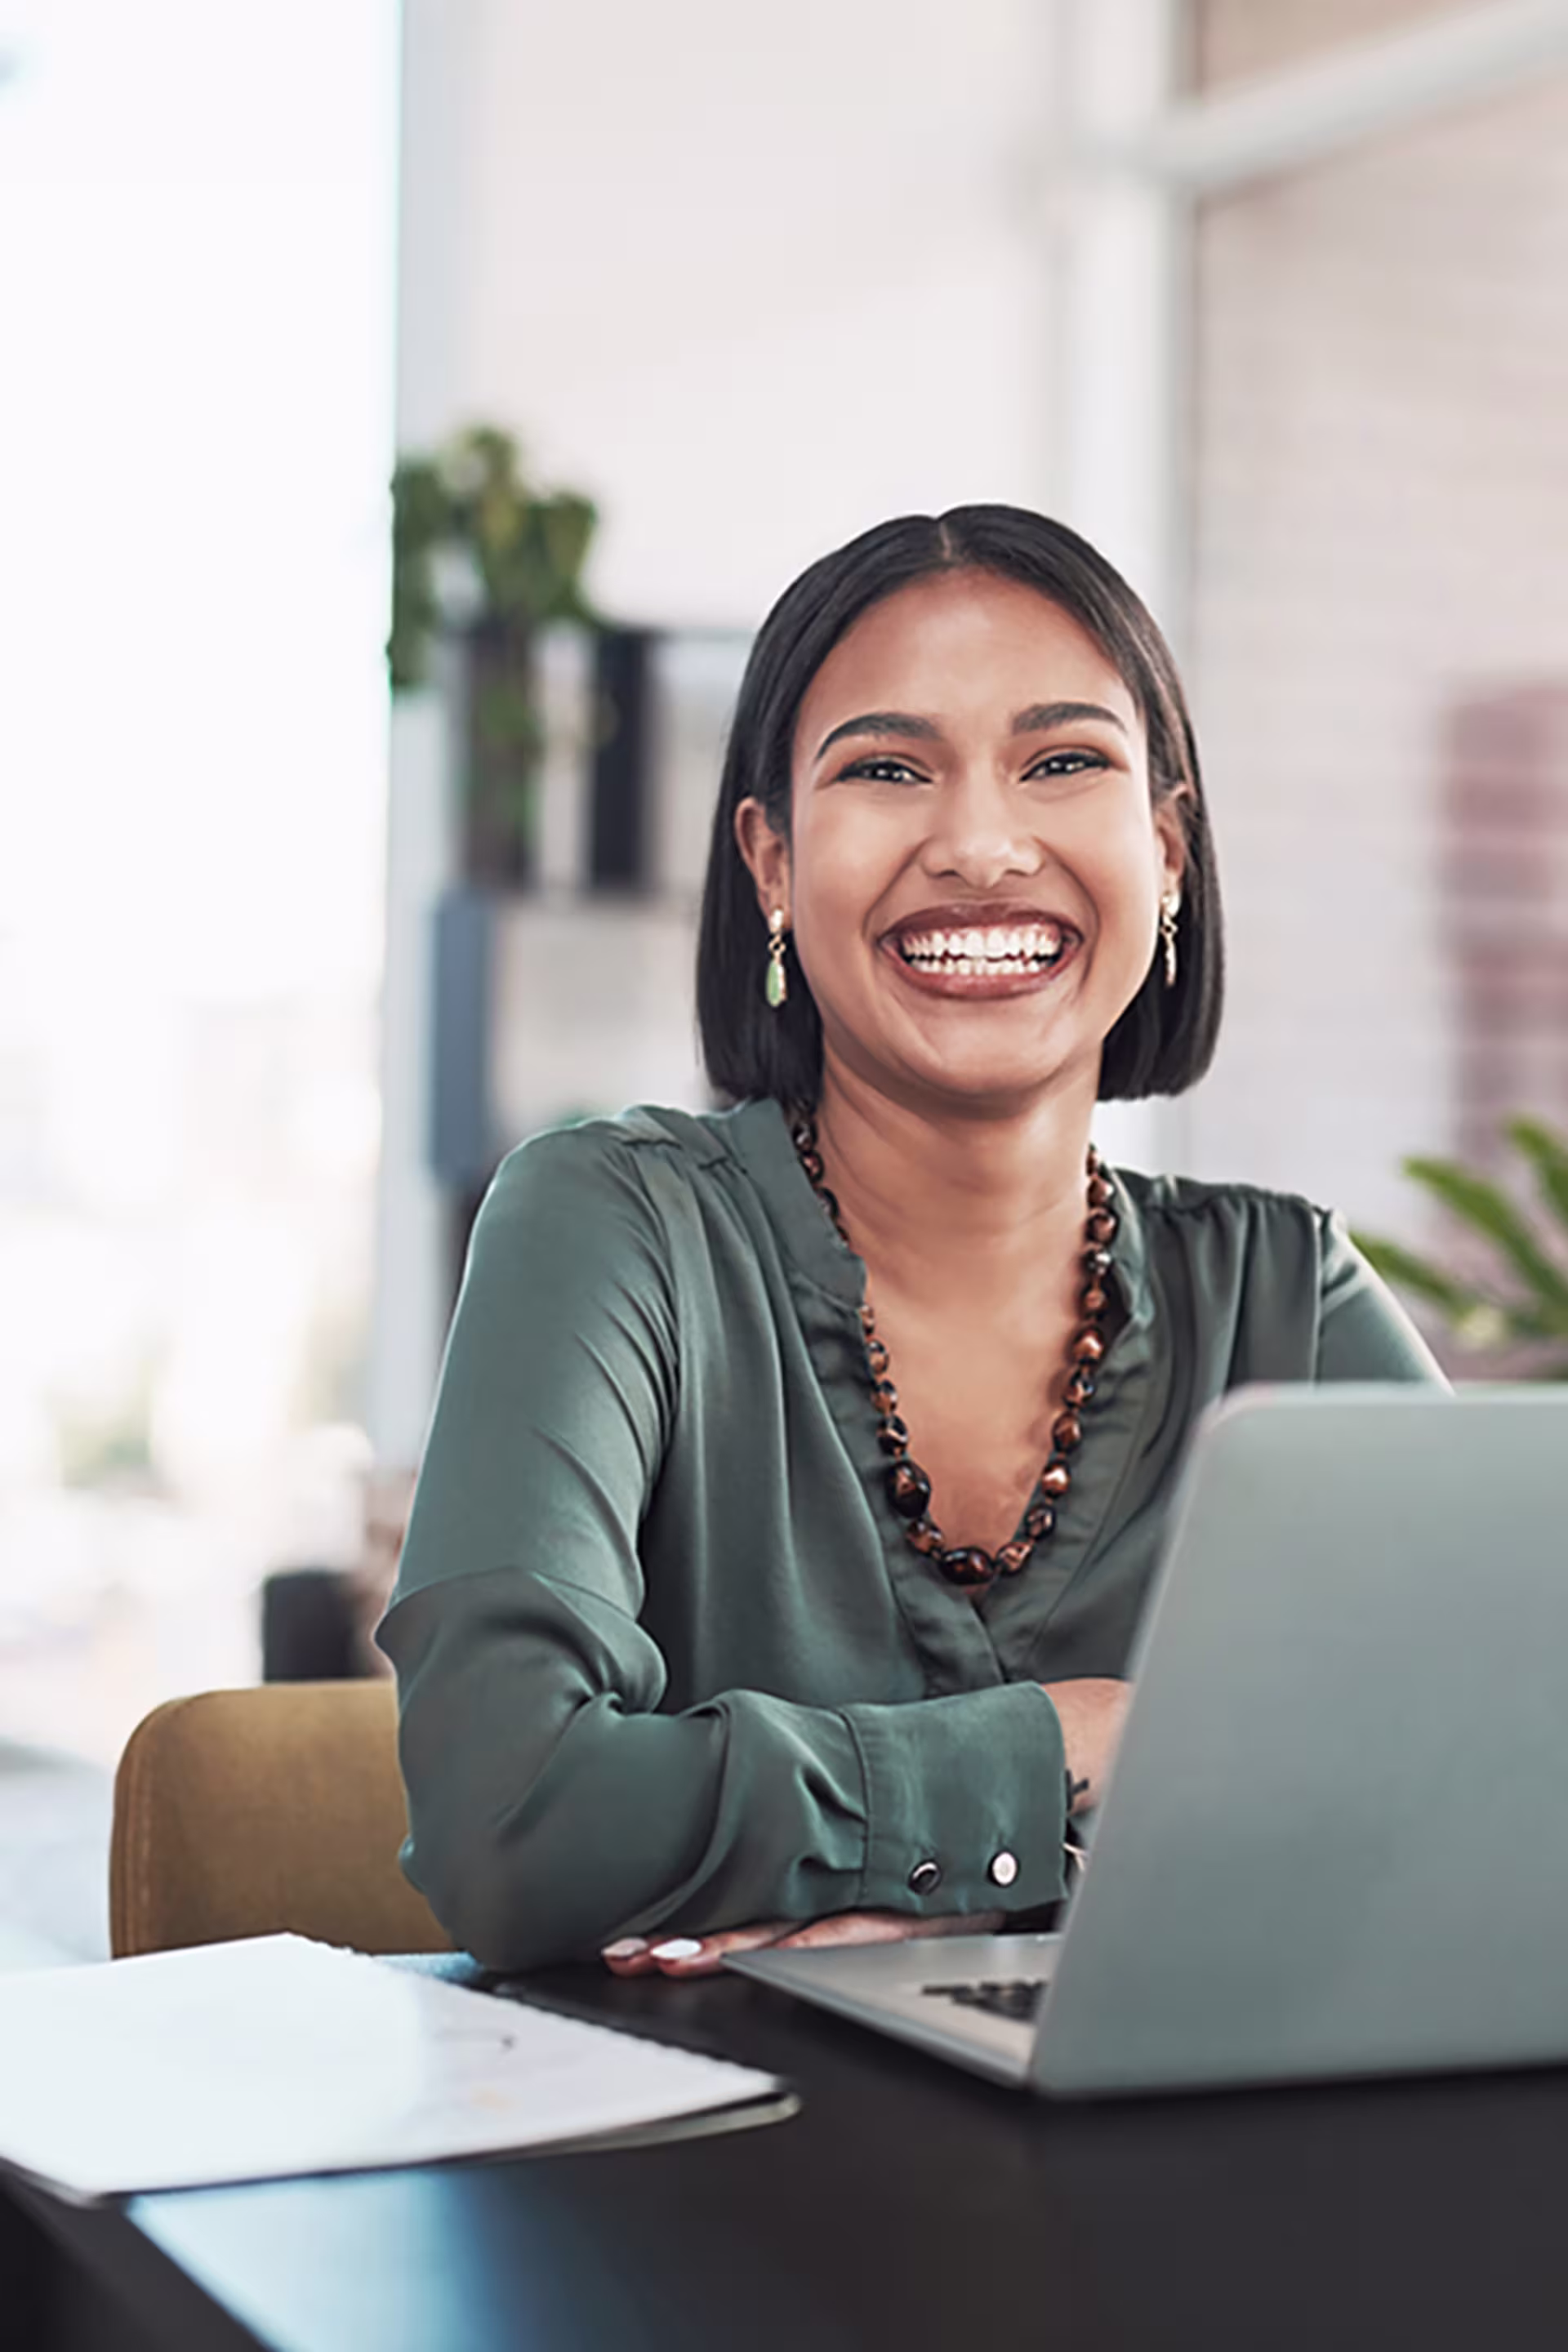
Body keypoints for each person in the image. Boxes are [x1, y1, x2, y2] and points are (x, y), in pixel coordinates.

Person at [378, 506, 1441, 1980]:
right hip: (694, 2186)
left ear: (1169, 851)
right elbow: (510, 1819)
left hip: (1194, 2167)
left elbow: (1497, 1778)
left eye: (1064, 763)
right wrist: (1073, 1744)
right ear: (770, 860)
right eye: (886, 770)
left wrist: (959, 1871)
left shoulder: (1287, 1302)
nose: (982, 846)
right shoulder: (611, 1225)